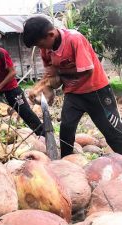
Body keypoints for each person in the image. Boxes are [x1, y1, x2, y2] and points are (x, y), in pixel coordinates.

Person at [23, 16, 122, 157]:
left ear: (51, 34)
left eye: (40, 44)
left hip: (96, 91)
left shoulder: (74, 39)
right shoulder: (46, 49)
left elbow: (87, 71)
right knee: (66, 130)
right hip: (73, 93)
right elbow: (51, 76)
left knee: (112, 132)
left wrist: (58, 72)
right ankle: (67, 163)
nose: (41, 49)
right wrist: (41, 87)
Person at [0, 31, 44, 136]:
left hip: (11, 89)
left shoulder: (1, 53)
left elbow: (13, 72)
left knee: (25, 112)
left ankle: (43, 135)